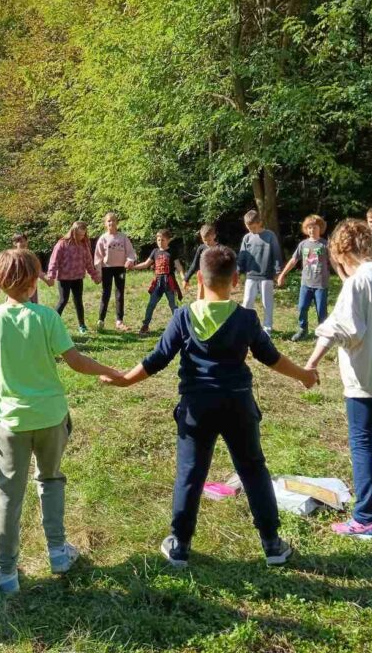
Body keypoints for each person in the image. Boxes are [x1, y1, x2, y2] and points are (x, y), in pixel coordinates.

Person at [104, 245, 317, 568]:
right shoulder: (246, 318)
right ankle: (272, 545)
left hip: (196, 409)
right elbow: (271, 357)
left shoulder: (183, 316)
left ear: (200, 280)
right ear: (236, 280)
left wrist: (124, 380)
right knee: (253, 470)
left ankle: (179, 545)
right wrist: (303, 375)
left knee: (190, 473)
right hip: (238, 406)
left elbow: (157, 358)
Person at [0, 248, 120, 595]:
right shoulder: (47, 317)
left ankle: (6, 572)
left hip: (10, 424)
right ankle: (58, 553)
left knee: (8, 496)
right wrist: (112, 372)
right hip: (51, 418)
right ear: (34, 282)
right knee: (51, 479)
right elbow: (75, 360)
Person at [304, 219, 372, 539]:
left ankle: (366, 519)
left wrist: (311, 363)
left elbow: (341, 328)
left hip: (367, 378)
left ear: (340, 254)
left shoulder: (359, 283)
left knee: (362, 440)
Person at [276, 215, 330, 342]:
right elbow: (293, 260)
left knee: (321, 311)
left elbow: (334, 261)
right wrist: (282, 274)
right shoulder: (303, 245)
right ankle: (302, 330)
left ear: (320, 228)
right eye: (309, 227)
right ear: (306, 229)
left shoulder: (325, 245)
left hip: (321, 285)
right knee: (302, 307)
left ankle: (322, 333)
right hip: (306, 284)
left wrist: (343, 276)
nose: (312, 230)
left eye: (314, 227)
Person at [48, 221, 101, 335]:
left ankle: (82, 325)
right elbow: (54, 261)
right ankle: (51, 325)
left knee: (78, 301)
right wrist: (51, 276)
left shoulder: (84, 245)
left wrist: (94, 276)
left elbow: (88, 262)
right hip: (64, 278)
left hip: (78, 278)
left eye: (83, 235)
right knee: (63, 300)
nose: (81, 237)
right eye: (78, 235)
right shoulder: (62, 244)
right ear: (73, 232)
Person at [237, 210, 283, 334]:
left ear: (260, 223)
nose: (251, 230)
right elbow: (242, 256)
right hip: (251, 275)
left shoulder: (270, 235)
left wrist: (278, 272)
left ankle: (267, 328)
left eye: (253, 227)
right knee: (247, 302)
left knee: (267, 303)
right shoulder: (247, 238)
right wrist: (237, 270)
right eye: (248, 228)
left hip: (266, 276)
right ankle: (246, 327)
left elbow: (277, 254)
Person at [135, 229, 185, 334]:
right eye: (158, 240)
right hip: (157, 283)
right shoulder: (155, 251)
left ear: (168, 240)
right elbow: (146, 264)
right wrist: (133, 267)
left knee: (173, 305)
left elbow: (178, 266)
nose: (160, 242)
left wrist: (183, 277)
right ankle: (145, 326)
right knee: (151, 304)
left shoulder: (172, 251)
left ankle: (180, 327)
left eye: (163, 240)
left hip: (169, 282)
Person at [93, 212, 137, 331]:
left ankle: (119, 321)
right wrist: (98, 273)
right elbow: (98, 257)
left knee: (119, 294)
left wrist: (129, 261)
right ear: (105, 224)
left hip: (120, 269)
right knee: (106, 293)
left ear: (117, 223)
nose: (111, 223)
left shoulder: (123, 237)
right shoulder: (103, 238)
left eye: (113, 220)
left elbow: (131, 252)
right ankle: (101, 320)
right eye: (109, 221)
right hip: (106, 268)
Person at [12, 233, 53, 304]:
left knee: (32, 306)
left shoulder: (31, 255)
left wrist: (46, 279)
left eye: (25, 241)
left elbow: (37, 270)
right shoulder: (12, 256)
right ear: (15, 243)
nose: (23, 243)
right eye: (20, 241)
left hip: (30, 286)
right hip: (17, 286)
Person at [182, 224, 218, 302]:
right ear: (201, 238)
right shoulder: (201, 248)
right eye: (205, 240)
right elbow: (194, 264)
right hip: (202, 276)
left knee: (214, 299)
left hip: (215, 278)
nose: (207, 242)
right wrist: (186, 279)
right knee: (200, 300)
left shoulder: (220, 248)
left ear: (214, 236)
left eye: (209, 240)